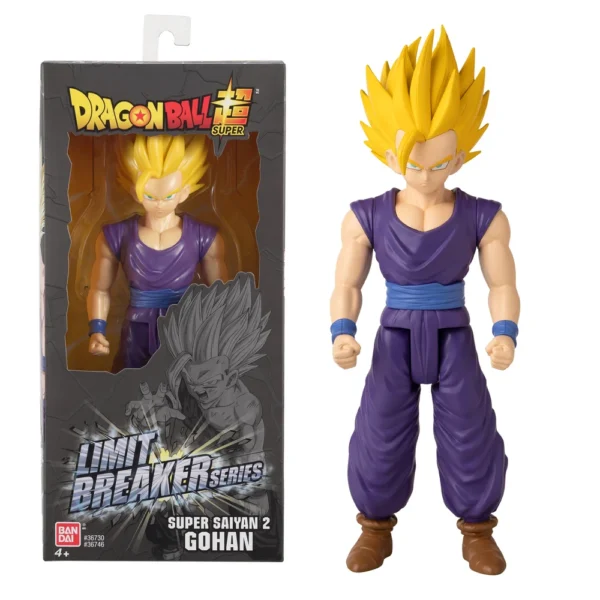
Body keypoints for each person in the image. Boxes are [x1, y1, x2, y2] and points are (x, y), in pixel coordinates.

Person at [330, 27, 520, 576]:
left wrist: (505, 332)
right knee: (380, 431)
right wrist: (342, 330)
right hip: (394, 334)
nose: (427, 175)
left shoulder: (484, 215)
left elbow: (502, 284)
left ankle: (478, 530)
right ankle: (374, 526)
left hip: (454, 333)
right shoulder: (365, 215)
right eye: (415, 163)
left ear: (460, 154)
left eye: (440, 163)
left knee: (470, 431)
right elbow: (347, 282)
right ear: (389, 152)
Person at [87, 134, 228, 371]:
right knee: (130, 383)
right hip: (136, 330)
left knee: (182, 386)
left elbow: (222, 294)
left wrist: (220, 336)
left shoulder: (204, 236)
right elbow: (99, 289)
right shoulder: (117, 234)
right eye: (150, 196)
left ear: (184, 192)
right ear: (135, 191)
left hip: (183, 330)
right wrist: (96, 330)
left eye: (168, 196)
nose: (159, 204)